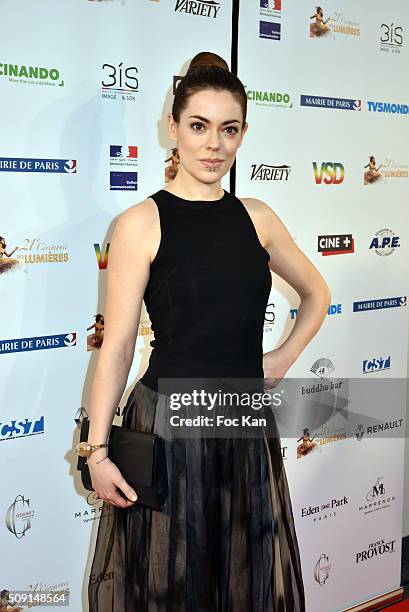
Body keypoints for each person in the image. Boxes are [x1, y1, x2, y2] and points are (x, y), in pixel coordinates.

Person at [84, 51, 331, 611]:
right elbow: (118, 345)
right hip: (170, 431)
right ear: (173, 128)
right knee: (170, 584)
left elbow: (318, 294)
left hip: (241, 426)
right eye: (199, 126)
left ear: (243, 133)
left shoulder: (258, 216)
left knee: (243, 578)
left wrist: (282, 358)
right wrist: (97, 451)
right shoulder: (139, 223)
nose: (213, 144)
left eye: (229, 129)